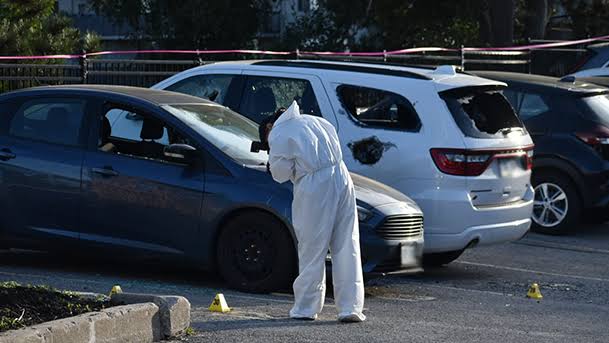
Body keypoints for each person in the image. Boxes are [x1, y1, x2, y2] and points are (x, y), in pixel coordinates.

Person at [264, 101, 366, 323]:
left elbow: (280, 174)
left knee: (312, 246)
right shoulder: (318, 121)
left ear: (270, 125)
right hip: (342, 176)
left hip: (314, 184)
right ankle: (351, 307)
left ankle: (306, 307)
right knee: (347, 243)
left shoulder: (279, 132)